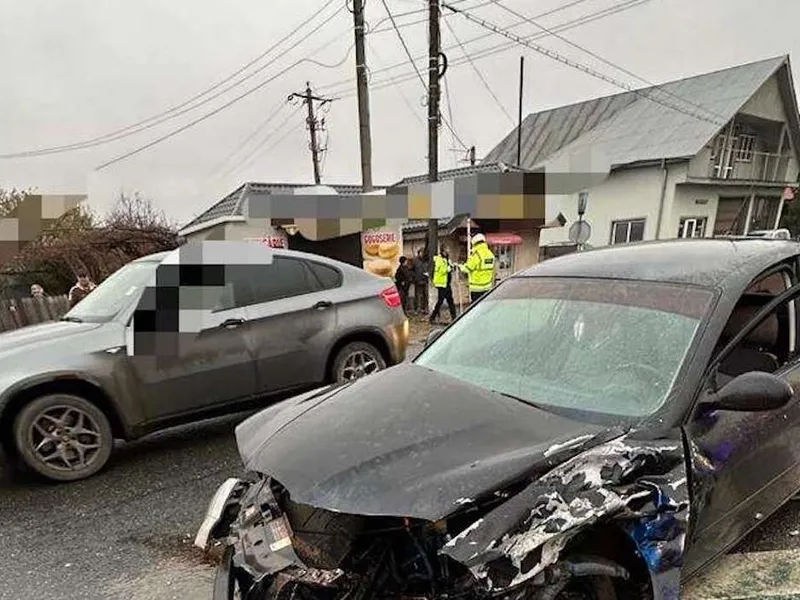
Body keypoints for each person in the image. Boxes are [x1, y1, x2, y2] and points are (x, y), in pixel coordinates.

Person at [460, 233, 496, 303]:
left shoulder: (476, 255)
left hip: (476, 288)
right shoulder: (490, 254)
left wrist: (461, 267)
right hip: (487, 287)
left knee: (476, 309)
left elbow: (467, 269)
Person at [429, 247, 456, 324]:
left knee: (450, 300)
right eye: (446, 251)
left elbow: (448, 268)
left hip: (446, 283)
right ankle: (433, 317)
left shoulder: (446, 259)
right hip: (441, 284)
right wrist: (449, 268)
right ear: (442, 251)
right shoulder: (439, 259)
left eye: (448, 251)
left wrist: (451, 266)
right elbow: (442, 271)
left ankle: (454, 317)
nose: (447, 252)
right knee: (440, 301)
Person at [412, 248, 430, 315]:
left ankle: (425, 308)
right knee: (418, 296)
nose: (422, 254)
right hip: (418, 280)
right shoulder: (415, 261)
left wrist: (427, 273)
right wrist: (414, 277)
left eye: (423, 253)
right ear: (418, 253)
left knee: (426, 295)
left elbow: (429, 268)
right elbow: (412, 270)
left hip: (425, 280)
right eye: (421, 253)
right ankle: (417, 309)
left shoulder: (426, 260)